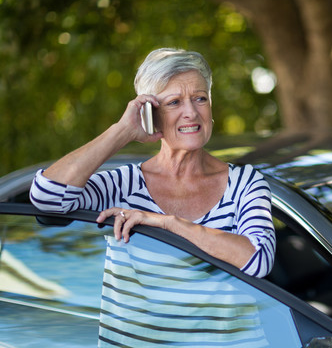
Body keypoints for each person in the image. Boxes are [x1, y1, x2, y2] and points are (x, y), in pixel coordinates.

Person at [30, 48, 276, 346]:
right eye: (174, 102)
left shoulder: (245, 182)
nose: (192, 112)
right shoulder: (125, 185)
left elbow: (258, 259)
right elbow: (47, 197)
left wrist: (166, 223)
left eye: (200, 98)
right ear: (150, 114)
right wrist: (123, 131)